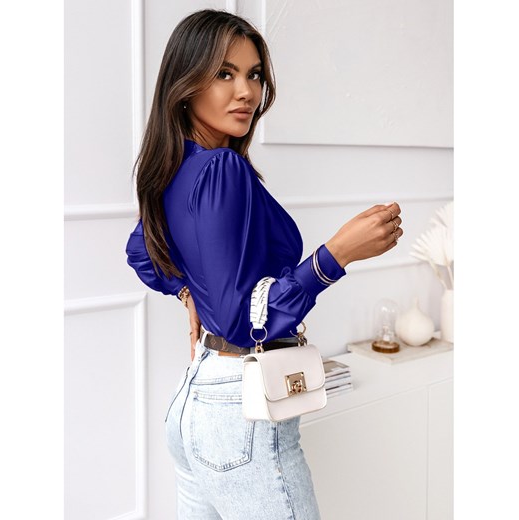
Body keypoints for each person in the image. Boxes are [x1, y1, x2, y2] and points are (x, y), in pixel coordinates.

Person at [126, 9, 403, 519]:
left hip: (196, 403)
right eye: (224, 73)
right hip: (239, 413)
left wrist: (188, 292)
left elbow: (141, 250)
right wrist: (337, 254)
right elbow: (241, 323)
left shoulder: (177, 165)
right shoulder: (222, 169)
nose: (246, 92)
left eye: (253, 74)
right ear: (186, 85)